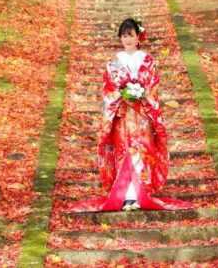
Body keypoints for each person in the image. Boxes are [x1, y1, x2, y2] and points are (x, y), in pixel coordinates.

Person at [70, 18, 193, 212]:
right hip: (122, 114)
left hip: (143, 114)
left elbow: (153, 86)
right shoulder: (113, 63)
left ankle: (141, 194)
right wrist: (122, 94)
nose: (127, 39)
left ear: (138, 37)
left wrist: (141, 94)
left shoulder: (148, 60)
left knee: (142, 152)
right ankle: (125, 196)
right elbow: (108, 89)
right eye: (124, 35)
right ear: (120, 37)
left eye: (131, 35)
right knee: (123, 151)